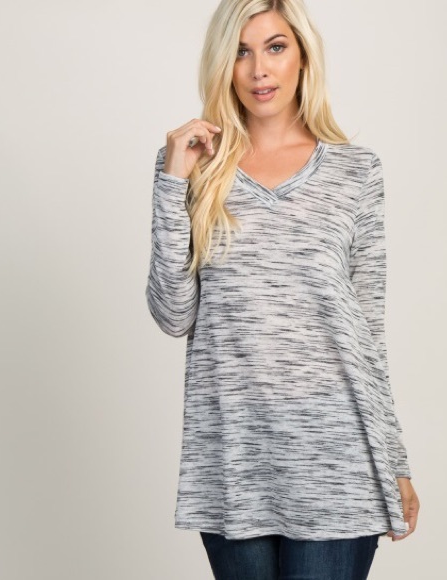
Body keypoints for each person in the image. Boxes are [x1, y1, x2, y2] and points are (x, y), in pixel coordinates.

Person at [145, 0, 420, 578]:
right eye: (241, 52)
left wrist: (395, 459)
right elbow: (173, 315)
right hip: (232, 455)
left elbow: (368, 332)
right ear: (223, 64)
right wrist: (172, 181)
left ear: (302, 57)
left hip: (337, 455)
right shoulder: (193, 168)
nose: (258, 70)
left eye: (275, 47)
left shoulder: (356, 171)